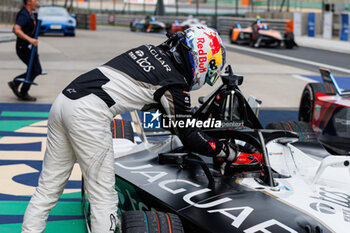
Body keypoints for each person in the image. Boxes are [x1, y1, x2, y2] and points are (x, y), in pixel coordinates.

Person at [21, 26, 237, 233]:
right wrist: (227, 151)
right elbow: (188, 136)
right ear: (201, 59)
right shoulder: (174, 84)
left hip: (64, 100)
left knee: (47, 188)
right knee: (103, 197)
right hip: (89, 114)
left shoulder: (146, 50)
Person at [8, 0, 42, 101]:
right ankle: (22, 90)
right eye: (35, 0)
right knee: (35, 70)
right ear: (29, 2)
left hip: (30, 48)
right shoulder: (23, 14)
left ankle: (16, 84)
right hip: (23, 48)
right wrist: (30, 39)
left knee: (35, 70)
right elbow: (16, 29)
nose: (37, 2)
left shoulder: (30, 14)